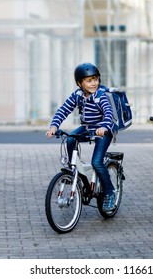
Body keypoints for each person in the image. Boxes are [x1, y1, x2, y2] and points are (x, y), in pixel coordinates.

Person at [46, 63, 117, 211]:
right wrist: (54, 126)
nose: (94, 83)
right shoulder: (77, 95)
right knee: (70, 138)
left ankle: (109, 192)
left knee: (97, 162)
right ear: (80, 83)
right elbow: (63, 110)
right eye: (89, 80)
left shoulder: (101, 96)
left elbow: (109, 114)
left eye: (96, 79)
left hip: (103, 130)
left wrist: (103, 127)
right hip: (87, 128)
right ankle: (74, 168)